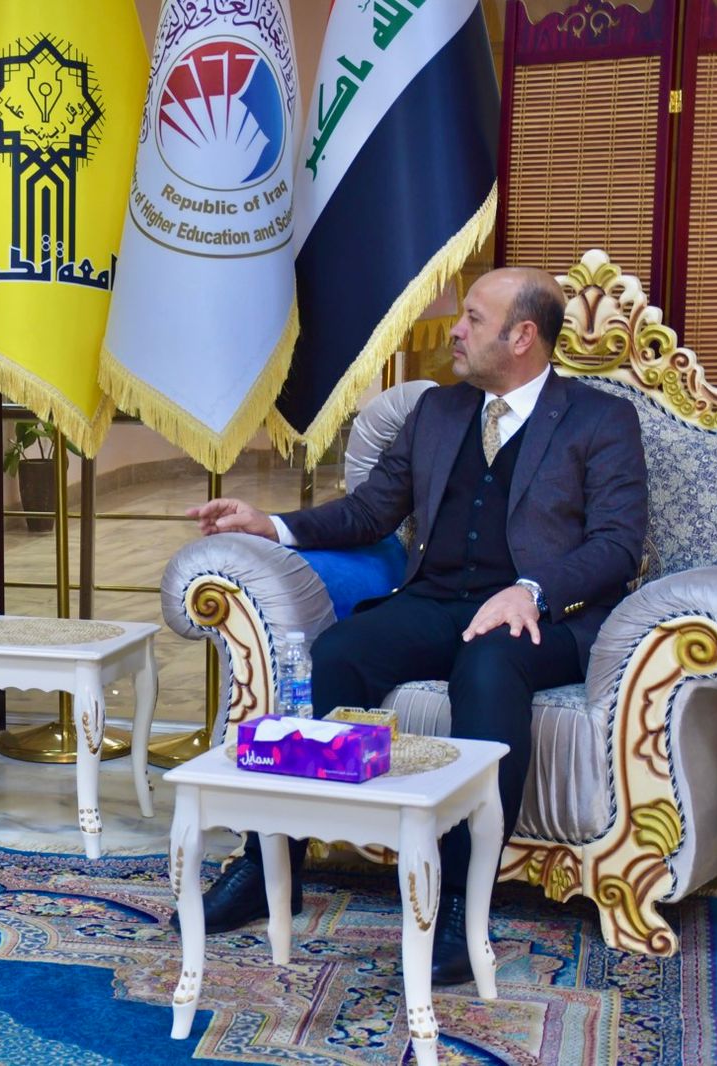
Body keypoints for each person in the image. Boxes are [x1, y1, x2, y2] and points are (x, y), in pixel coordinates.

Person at [183, 267, 647, 983]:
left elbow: (618, 543)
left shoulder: (599, 420)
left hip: (537, 617)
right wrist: (271, 524)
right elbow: (371, 510)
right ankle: (272, 865)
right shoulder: (438, 409)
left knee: (488, 668)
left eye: (474, 319)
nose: (455, 331)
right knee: (340, 653)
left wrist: (532, 591)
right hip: (433, 600)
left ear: (522, 336)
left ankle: (461, 901)